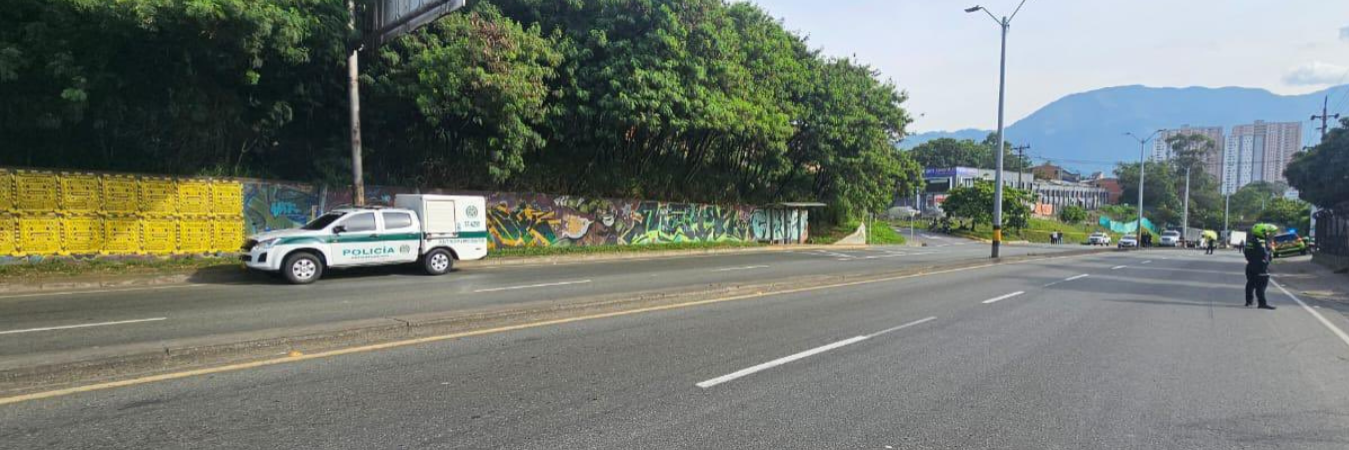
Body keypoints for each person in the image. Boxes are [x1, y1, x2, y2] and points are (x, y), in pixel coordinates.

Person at [1243, 224, 1278, 310]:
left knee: (1251, 283)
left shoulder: (1251, 240)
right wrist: (1270, 250)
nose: (1267, 234)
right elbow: (1265, 254)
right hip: (1260, 266)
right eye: (1266, 232)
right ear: (1261, 232)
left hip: (1251, 265)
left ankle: (1249, 301)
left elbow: (1247, 253)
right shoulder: (1261, 242)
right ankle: (1262, 303)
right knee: (1262, 284)